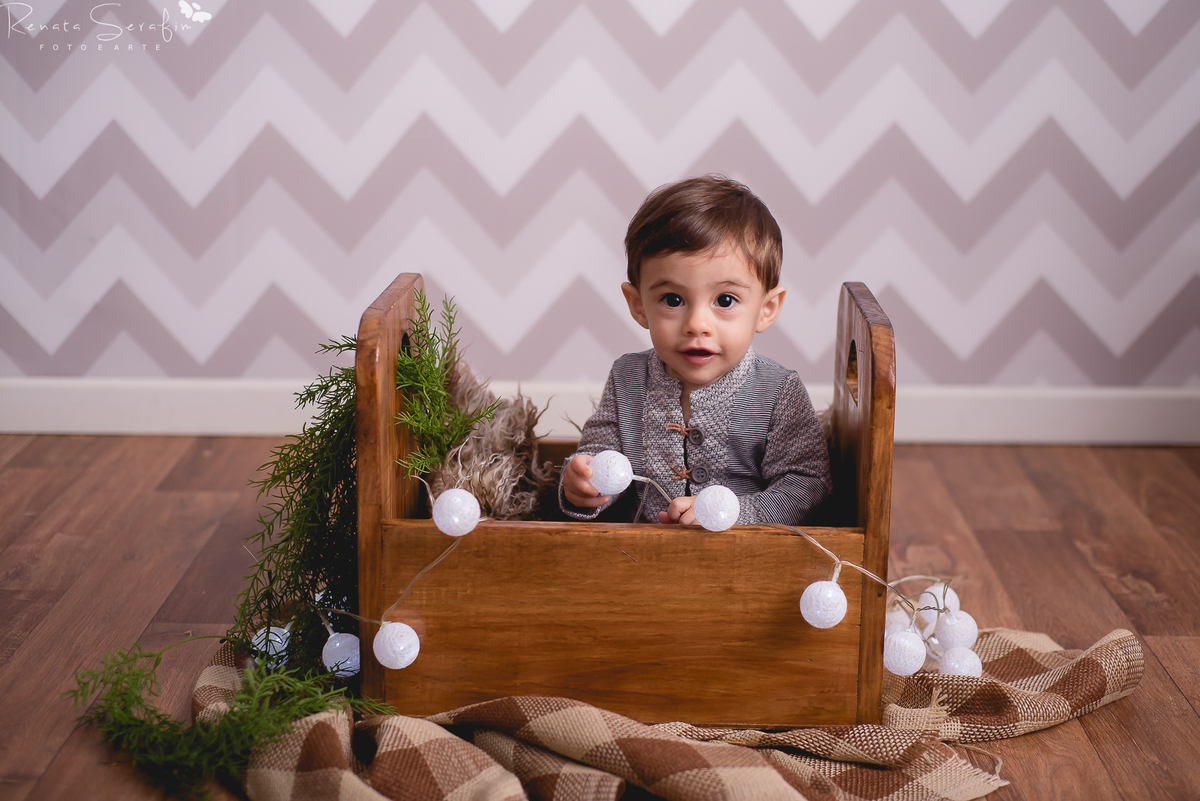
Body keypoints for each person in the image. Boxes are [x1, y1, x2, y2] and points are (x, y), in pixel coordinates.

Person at [560, 175, 831, 526]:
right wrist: (581, 482)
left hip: (744, 563)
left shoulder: (778, 391)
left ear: (766, 308)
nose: (697, 324)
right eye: (673, 300)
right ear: (639, 304)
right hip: (634, 561)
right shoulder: (627, 378)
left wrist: (734, 514)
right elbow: (599, 454)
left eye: (725, 300)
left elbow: (807, 486)